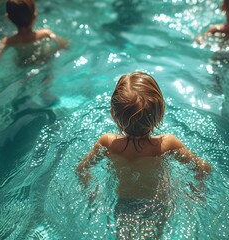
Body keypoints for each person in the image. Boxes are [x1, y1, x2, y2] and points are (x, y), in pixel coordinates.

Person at [76, 71, 211, 238]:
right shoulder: (167, 145)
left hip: (123, 205)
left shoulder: (108, 143)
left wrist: (93, 191)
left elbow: (81, 169)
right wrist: (196, 191)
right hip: (157, 203)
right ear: (160, 114)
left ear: (113, 114)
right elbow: (203, 168)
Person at [0, 0, 69, 64]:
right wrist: (55, 50)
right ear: (35, 16)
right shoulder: (45, 33)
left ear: (8, 18)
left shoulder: (8, 41)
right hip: (43, 59)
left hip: (23, 63)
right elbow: (64, 44)